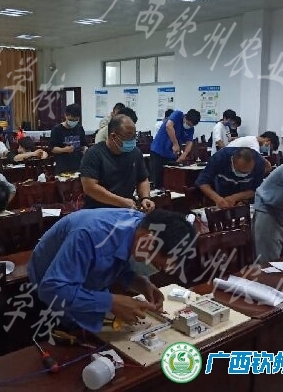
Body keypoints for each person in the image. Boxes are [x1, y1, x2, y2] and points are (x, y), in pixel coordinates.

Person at [28, 208, 196, 332]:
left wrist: (140, 282)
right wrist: (110, 302)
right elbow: (51, 290)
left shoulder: (140, 227)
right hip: (50, 291)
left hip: (86, 280)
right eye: (157, 265)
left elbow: (118, 260)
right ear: (147, 241)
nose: (155, 270)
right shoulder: (89, 235)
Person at [80, 115, 155, 211]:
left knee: (158, 220)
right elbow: (90, 188)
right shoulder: (94, 153)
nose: (132, 141)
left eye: (134, 136)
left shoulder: (135, 153)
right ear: (113, 136)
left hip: (127, 208)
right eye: (129, 137)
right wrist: (121, 202)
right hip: (99, 210)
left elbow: (142, 179)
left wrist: (145, 198)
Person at [195, 148, 265, 208]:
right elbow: (202, 182)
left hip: (245, 200)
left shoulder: (259, 162)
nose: (244, 174)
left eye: (248, 172)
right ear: (232, 161)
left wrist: (236, 197)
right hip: (221, 194)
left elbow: (257, 189)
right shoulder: (220, 158)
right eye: (241, 171)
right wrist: (217, 198)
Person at [149, 109, 201, 188]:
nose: (189, 126)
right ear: (185, 117)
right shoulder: (178, 114)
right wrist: (175, 143)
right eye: (188, 124)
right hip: (158, 151)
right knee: (156, 180)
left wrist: (184, 154)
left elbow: (189, 142)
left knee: (169, 180)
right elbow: (168, 126)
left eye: (191, 125)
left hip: (171, 155)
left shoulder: (190, 129)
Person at [50, 103, 88, 174]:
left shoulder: (79, 128)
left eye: (76, 120)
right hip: (63, 166)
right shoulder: (57, 129)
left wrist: (85, 149)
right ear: (66, 115)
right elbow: (52, 149)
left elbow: (83, 144)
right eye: (71, 120)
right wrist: (64, 150)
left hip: (78, 165)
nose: (73, 122)